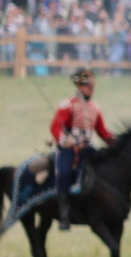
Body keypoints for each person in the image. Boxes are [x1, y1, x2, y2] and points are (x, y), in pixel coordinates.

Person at [48, 66, 113, 227]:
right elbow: (55, 126)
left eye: (92, 85)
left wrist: (117, 144)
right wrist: (65, 140)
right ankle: (63, 214)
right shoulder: (68, 104)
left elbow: (103, 132)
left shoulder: (95, 108)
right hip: (69, 149)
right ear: (79, 86)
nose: (91, 88)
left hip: (87, 149)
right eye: (87, 85)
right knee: (64, 173)